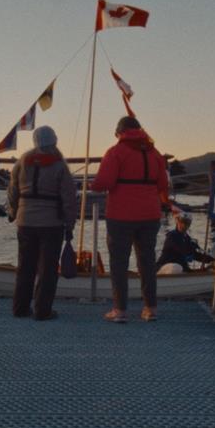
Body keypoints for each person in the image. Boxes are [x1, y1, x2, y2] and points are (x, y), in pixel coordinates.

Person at [90, 115, 169, 322]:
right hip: (150, 214)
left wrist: (92, 184)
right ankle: (150, 308)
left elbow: (103, 182)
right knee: (147, 261)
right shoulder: (155, 154)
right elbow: (162, 185)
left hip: (121, 215)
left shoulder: (115, 152)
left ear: (120, 133)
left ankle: (120, 310)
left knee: (118, 263)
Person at [6, 125, 78, 320]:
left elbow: (13, 192)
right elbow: (69, 198)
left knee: (25, 266)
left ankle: (20, 308)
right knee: (47, 269)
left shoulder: (21, 162)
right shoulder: (60, 165)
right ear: (54, 141)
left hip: (25, 221)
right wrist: (70, 225)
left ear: (35, 141)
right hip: (51, 224)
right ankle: (42, 310)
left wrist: (13, 212)